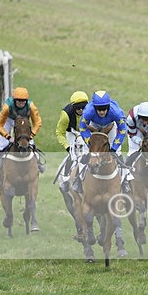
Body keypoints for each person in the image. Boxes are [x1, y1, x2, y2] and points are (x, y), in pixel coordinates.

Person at [74, 90, 129, 193]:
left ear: (108, 107)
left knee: (118, 153)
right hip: (93, 125)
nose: (102, 112)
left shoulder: (116, 112)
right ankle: (78, 179)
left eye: (104, 109)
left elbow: (122, 130)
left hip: (110, 126)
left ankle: (125, 180)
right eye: (99, 109)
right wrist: (90, 143)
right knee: (85, 153)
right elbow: (82, 128)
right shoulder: (88, 112)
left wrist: (114, 148)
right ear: (94, 108)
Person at [0, 86, 43, 185]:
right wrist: (8, 137)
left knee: (31, 143)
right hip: (7, 120)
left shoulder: (31, 106)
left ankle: (38, 163)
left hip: (23, 121)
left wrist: (31, 136)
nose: (21, 103)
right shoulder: (7, 107)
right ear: (14, 100)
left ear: (26, 101)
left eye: (23, 101)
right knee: (2, 145)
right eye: (18, 101)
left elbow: (37, 123)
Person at [55, 91, 89, 233]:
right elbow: (59, 132)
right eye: (78, 108)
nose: (81, 110)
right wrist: (67, 147)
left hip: (87, 134)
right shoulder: (66, 114)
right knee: (74, 157)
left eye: (83, 107)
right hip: (71, 134)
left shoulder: (91, 111)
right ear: (73, 107)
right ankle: (65, 180)